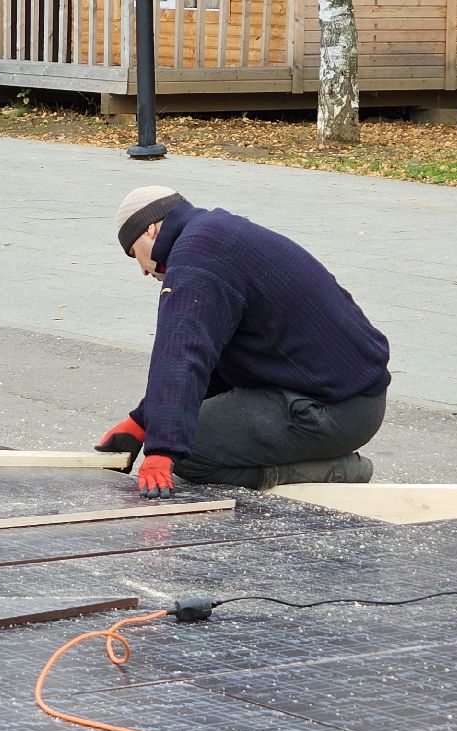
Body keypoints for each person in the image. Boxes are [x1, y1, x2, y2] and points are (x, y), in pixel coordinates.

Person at [97, 186, 389, 499]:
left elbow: (183, 353)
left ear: (151, 230)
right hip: (342, 396)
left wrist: (162, 451)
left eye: (134, 254)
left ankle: (332, 471)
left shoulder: (196, 260)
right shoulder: (215, 237)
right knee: (184, 428)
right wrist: (143, 421)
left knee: (191, 450)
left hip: (335, 410)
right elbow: (210, 357)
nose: (142, 269)